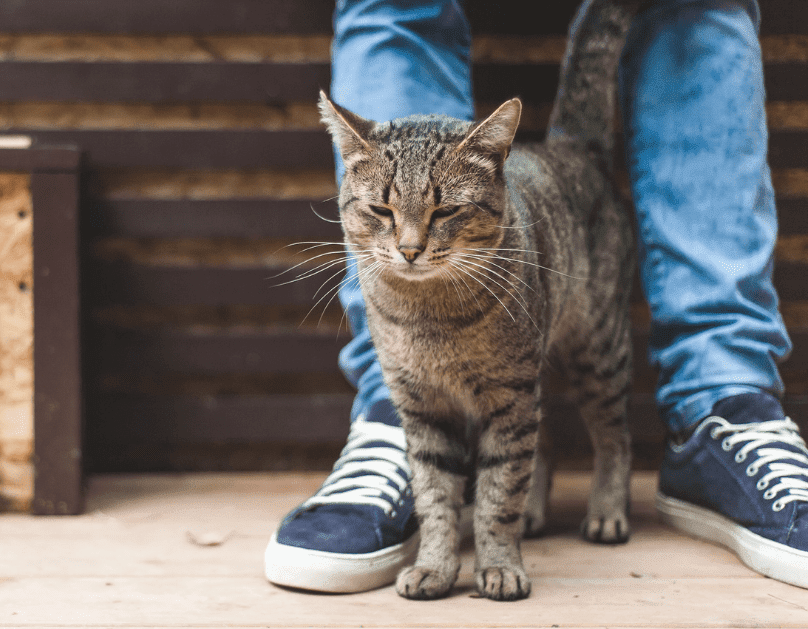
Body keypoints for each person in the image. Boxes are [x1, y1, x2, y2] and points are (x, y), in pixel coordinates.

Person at [264, 0, 808, 592]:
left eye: (442, 213)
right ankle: (389, 429)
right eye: (381, 214)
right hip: (426, 308)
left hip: (571, 231)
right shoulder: (382, 217)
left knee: (586, 378)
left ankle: (716, 404)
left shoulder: (504, 256)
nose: (411, 244)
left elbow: (514, 409)